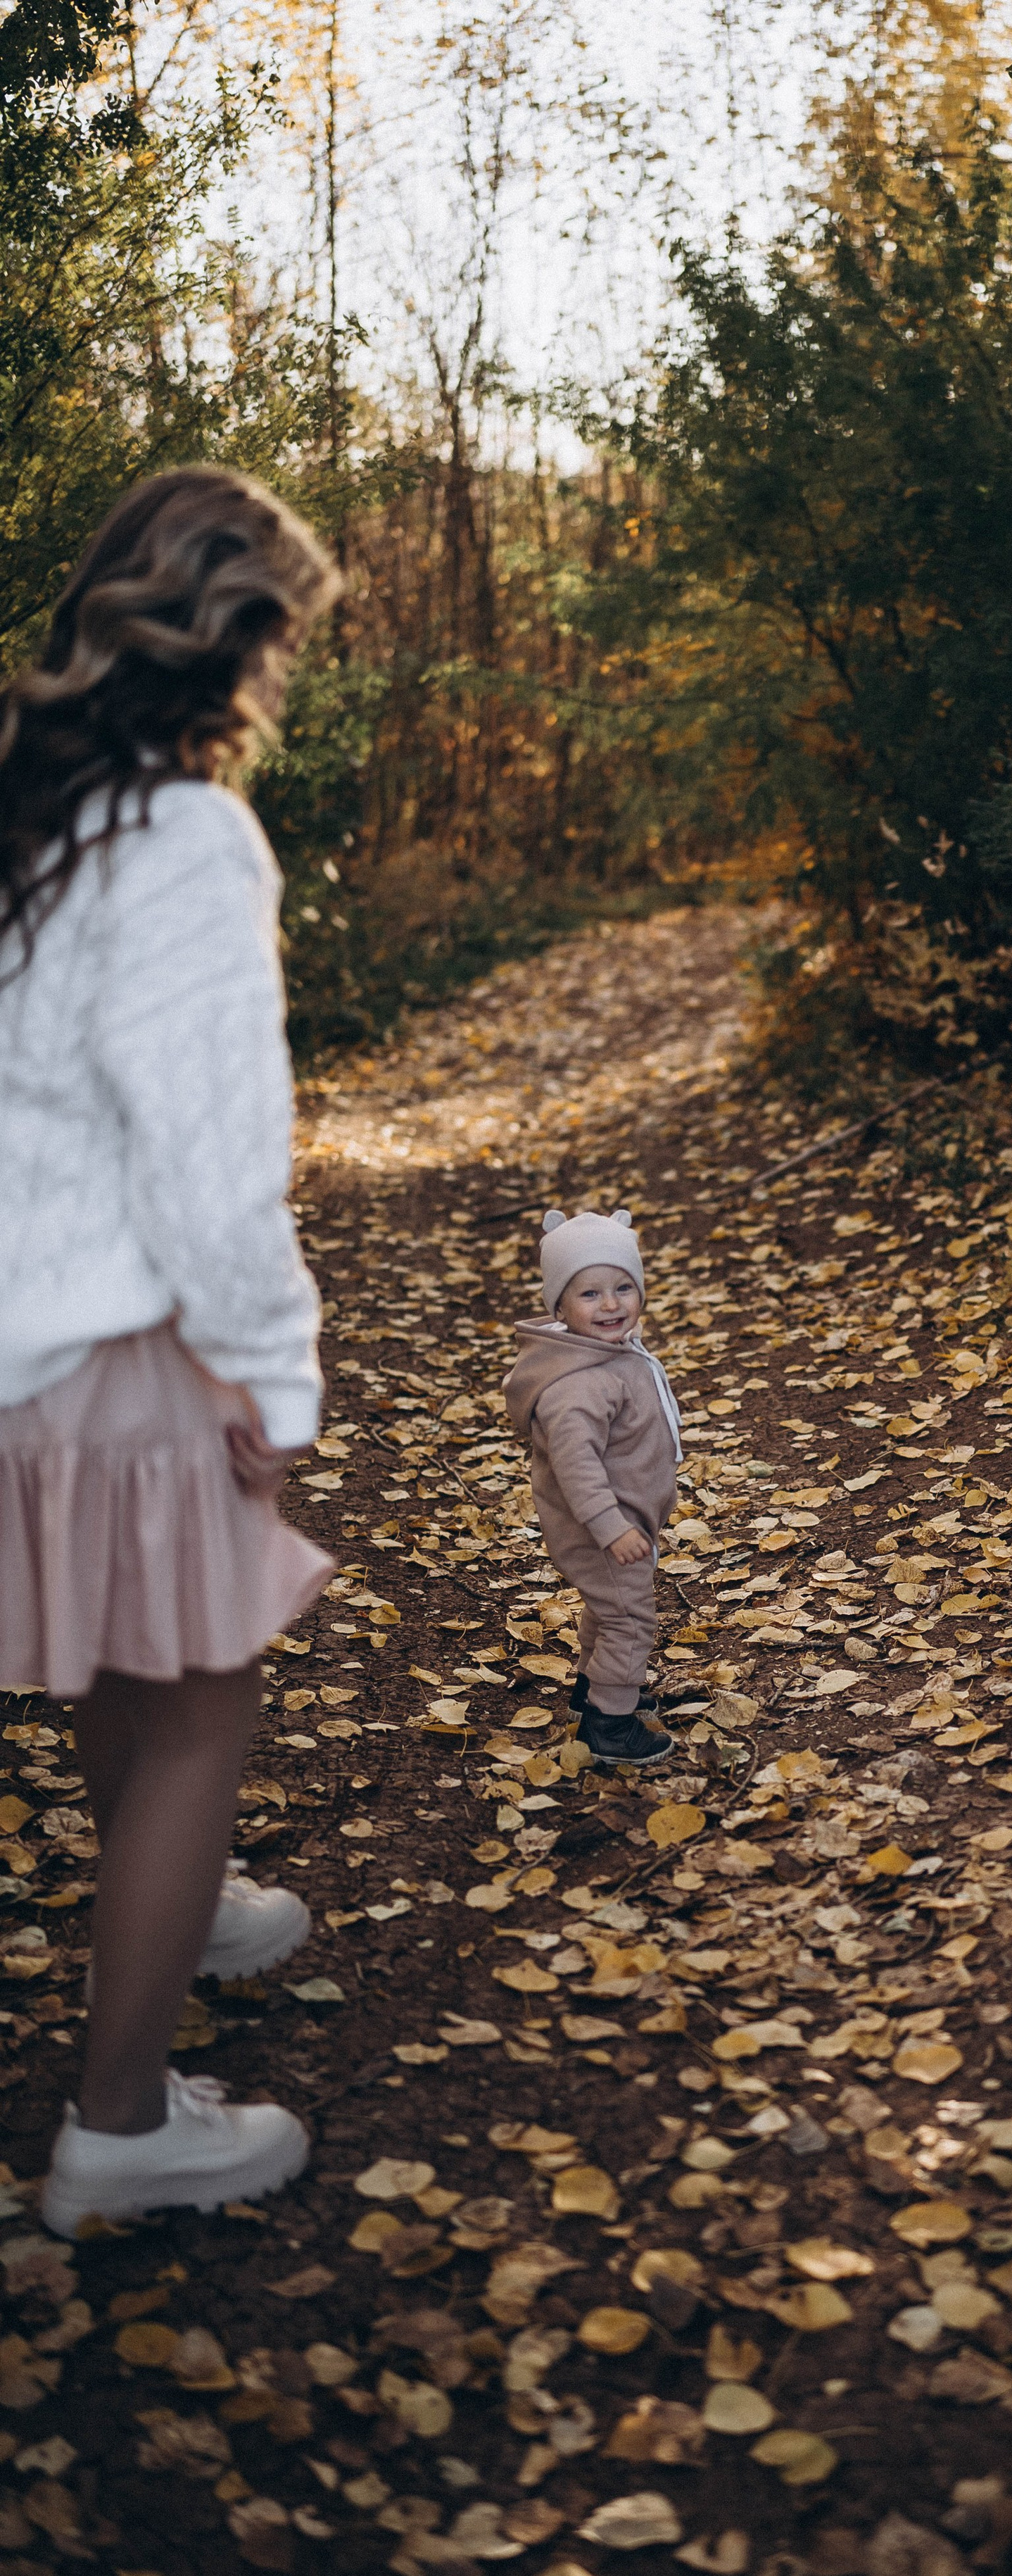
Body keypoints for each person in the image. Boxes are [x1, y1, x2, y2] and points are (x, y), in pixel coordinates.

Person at [0, 467, 341, 2237]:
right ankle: (122, 2121)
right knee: (204, 1698)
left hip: (11, 1348)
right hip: (116, 1339)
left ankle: (178, 1907)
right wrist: (273, 1380)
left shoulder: (29, 813)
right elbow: (213, 1166)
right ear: (241, 639)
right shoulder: (184, 836)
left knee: (120, 1658)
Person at [504, 1209, 683, 1766]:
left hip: (628, 1517)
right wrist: (610, 1528)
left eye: (623, 1288)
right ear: (558, 1305)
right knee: (631, 1619)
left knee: (609, 1610)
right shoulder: (576, 1384)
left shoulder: (613, 1351)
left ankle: (591, 1690)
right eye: (589, 1294)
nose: (610, 1305)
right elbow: (576, 1466)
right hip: (605, 1527)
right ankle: (610, 1721)